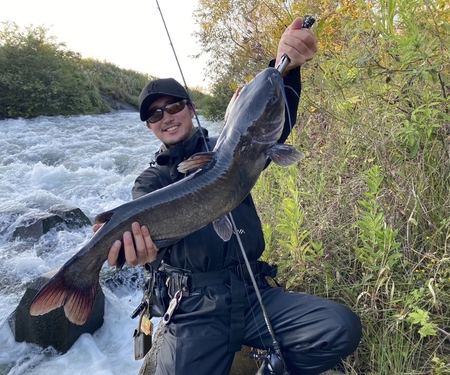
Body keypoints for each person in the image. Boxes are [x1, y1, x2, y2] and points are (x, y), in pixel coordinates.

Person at [97, 17, 362, 375]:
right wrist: (141, 254)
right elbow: (141, 242)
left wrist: (285, 67)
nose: (166, 117)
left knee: (339, 328)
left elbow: (270, 121)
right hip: (194, 311)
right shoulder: (151, 182)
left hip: (255, 295)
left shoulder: (233, 149)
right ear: (149, 126)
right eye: (155, 114)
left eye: (174, 106)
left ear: (191, 109)